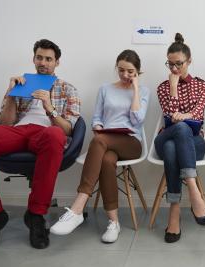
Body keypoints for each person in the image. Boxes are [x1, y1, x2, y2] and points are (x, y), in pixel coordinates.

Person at [0, 39, 81, 252]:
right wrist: (11, 94)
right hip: (17, 131)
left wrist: (49, 107)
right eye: (39, 57)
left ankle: (35, 215)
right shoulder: (22, 83)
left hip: (46, 133)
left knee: (54, 135)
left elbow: (68, 130)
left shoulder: (68, 88)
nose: (43, 62)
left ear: (57, 62)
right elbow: (5, 122)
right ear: (33, 59)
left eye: (48, 59)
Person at [50, 50, 149, 243]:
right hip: (106, 142)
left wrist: (136, 89)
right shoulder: (105, 89)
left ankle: (78, 207)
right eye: (121, 70)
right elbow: (97, 117)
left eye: (130, 71)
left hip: (130, 142)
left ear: (138, 72)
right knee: (106, 159)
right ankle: (114, 223)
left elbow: (138, 120)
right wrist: (97, 126)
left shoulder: (144, 91)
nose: (125, 75)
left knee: (99, 141)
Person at [154, 33, 205, 243]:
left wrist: (185, 116)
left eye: (179, 64)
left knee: (174, 146)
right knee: (177, 129)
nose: (174, 69)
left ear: (189, 61)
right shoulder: (162, 87)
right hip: (165, 137)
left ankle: (174, 212)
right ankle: (193, 191)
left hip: (193, 142)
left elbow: (198, 114)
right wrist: (172, 87)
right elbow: (169, 115)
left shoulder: (202, 85)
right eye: (170, 64)